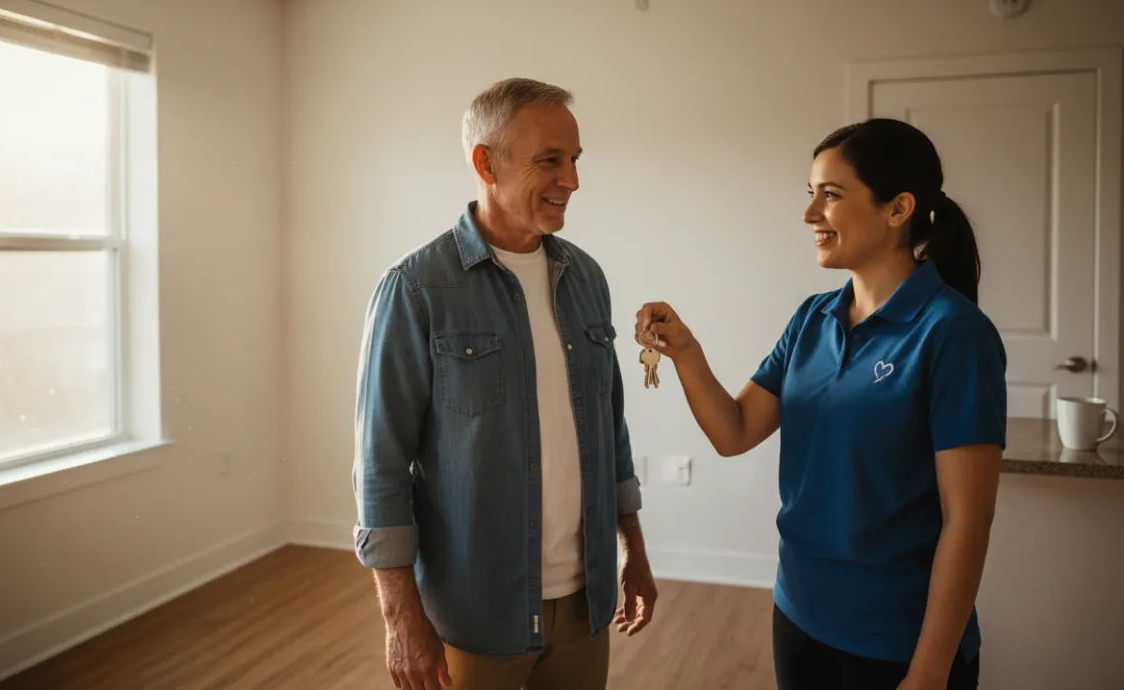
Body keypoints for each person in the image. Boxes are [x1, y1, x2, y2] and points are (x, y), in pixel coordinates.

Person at [635, 118, 1005, 690]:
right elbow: (733, 432)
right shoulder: (813, 318)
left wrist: (930, 671)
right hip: (799, 616)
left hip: (897, 642)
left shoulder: (954, 334)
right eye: (810, 194)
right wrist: (685, 351)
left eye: (830, 195)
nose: (810, 215)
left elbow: (968, 520)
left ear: (898, 208)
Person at [353, 77, 657, 690]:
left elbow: (609, 427)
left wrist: (634, 551)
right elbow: (380, 463)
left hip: (585, 604)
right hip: (473, 610)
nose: (572, 179)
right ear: (484, 162)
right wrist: (398, 615)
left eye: (574, 160)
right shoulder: (415, 289)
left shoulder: (586, 277)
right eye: (550, 160)